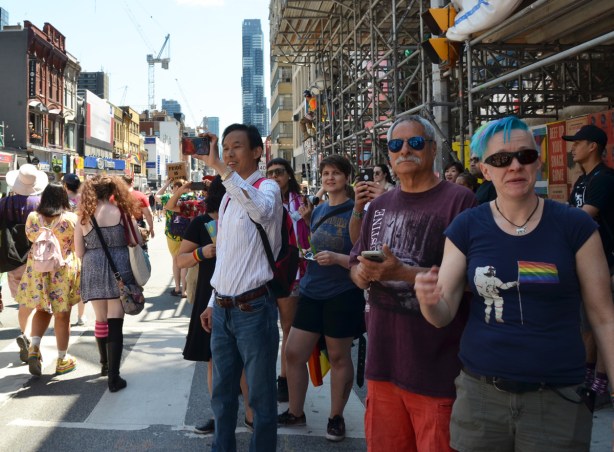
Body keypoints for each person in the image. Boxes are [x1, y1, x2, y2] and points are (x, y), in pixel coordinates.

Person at [414, 116, 614, 451]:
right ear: (485, 169)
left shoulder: (575, 226)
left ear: (538, 161)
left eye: (526, 156)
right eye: (501, 160)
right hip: (481, 398)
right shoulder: (466, 227)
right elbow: (443, 313)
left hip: (556, 400)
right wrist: (429, 301)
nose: (515, 166)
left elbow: (604, 316)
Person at [349, 115, 477, 451]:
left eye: (416, 143)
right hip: (382, 364)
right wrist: (361, 274)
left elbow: (470, 281)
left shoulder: (460, 202)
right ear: (389, 154)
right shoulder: (377, 207)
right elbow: (353, 262)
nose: (405, 150)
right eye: (396, 145)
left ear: (433, 149)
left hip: (436, 370)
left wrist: (403, 274)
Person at [198, 124, 283, 452]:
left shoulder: (269, 188)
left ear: (257, 152)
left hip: (254, 309)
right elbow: (226, 257)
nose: (229, 154)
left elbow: (260, 210)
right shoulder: (227, 198)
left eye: (236, 147)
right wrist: (210, 300)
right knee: (221, 395)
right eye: (226, 147)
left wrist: (220, 168)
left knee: (261, 398)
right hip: (222, 308)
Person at [278, 155, 364, 442]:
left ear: (347, 177)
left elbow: (363, 257)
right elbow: (314, 246)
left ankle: (335, 417)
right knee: (293, 352)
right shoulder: (317, 210)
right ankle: (296, 411)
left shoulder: (357, 211)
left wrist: (339, 258)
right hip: (312, 290)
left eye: (336, 173)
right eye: (326, 173)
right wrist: (308, 247)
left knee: (339, 356)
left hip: (341, 293)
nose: (330, 178)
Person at [74, 175, 141, 392]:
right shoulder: (121, 211)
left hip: (93, 267)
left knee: (100, 320)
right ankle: (114, 377)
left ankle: (103, 365)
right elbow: (135, 240)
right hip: (119, 267)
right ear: (113, 190)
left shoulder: (83, 216)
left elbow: (79, 251)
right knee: (116, 323)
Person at [565, 124, 614, 400]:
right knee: (586, 325)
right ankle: (587, 375)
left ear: (593, 146)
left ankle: (602, 383)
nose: (573, 148)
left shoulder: (605, 178)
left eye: (578, 142)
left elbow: (584, 216)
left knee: (604, 322)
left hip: (607, 261)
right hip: (586, 262)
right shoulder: (583, 180)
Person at [16, 182, 81, 376]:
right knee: (62, 315)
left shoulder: (33, 218)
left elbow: (30, 238)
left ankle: (34, 347)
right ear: (63, 198)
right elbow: (77, 247)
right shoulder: (70, 219)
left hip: (38, 270)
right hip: (62, 271)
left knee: (42, 309)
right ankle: (62, 359)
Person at [265, 157, 310, 403]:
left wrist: (307, 218)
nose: (274, 177)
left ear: (289, 175)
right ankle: (259, 377)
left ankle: (283, 378)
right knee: (263, 329)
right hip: (263, 270)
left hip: (292, 271)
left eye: (279, 172)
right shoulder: (261, 201)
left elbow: (313, 235)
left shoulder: (301, 203)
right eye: (270, 173)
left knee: (288, 328)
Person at [2, 164, 47, 363]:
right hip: (37, 257)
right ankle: (34, 342)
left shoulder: (4, 204)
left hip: (13, 258)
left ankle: (25, 334)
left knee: (22, 300)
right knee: (40, 302)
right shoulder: (41, 205)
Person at [156, 178, 192, 297]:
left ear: (176, 187)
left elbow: (157, 196)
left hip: (172, 235)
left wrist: (166, 183)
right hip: (187, 234)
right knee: (185, 262)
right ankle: (184, 290)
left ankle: (177, 287)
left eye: (173, 187)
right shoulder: (190, 198)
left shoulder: (168, 198)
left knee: (175, 260)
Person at [62, 173, 87, 327]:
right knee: (81, 282)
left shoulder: (61, 200)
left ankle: (66, 316)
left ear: (65, 185)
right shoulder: (84, 199)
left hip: (64, 244)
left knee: (65, 282)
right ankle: (81, 315)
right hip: (82, 242)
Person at [121, 175, 155, 241]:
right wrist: (151, 228)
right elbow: (148, 214)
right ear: (132, 183)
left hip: (121, 228)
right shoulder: (140, 196)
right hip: (138, 227)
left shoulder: (114, 197)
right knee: (141, 249)